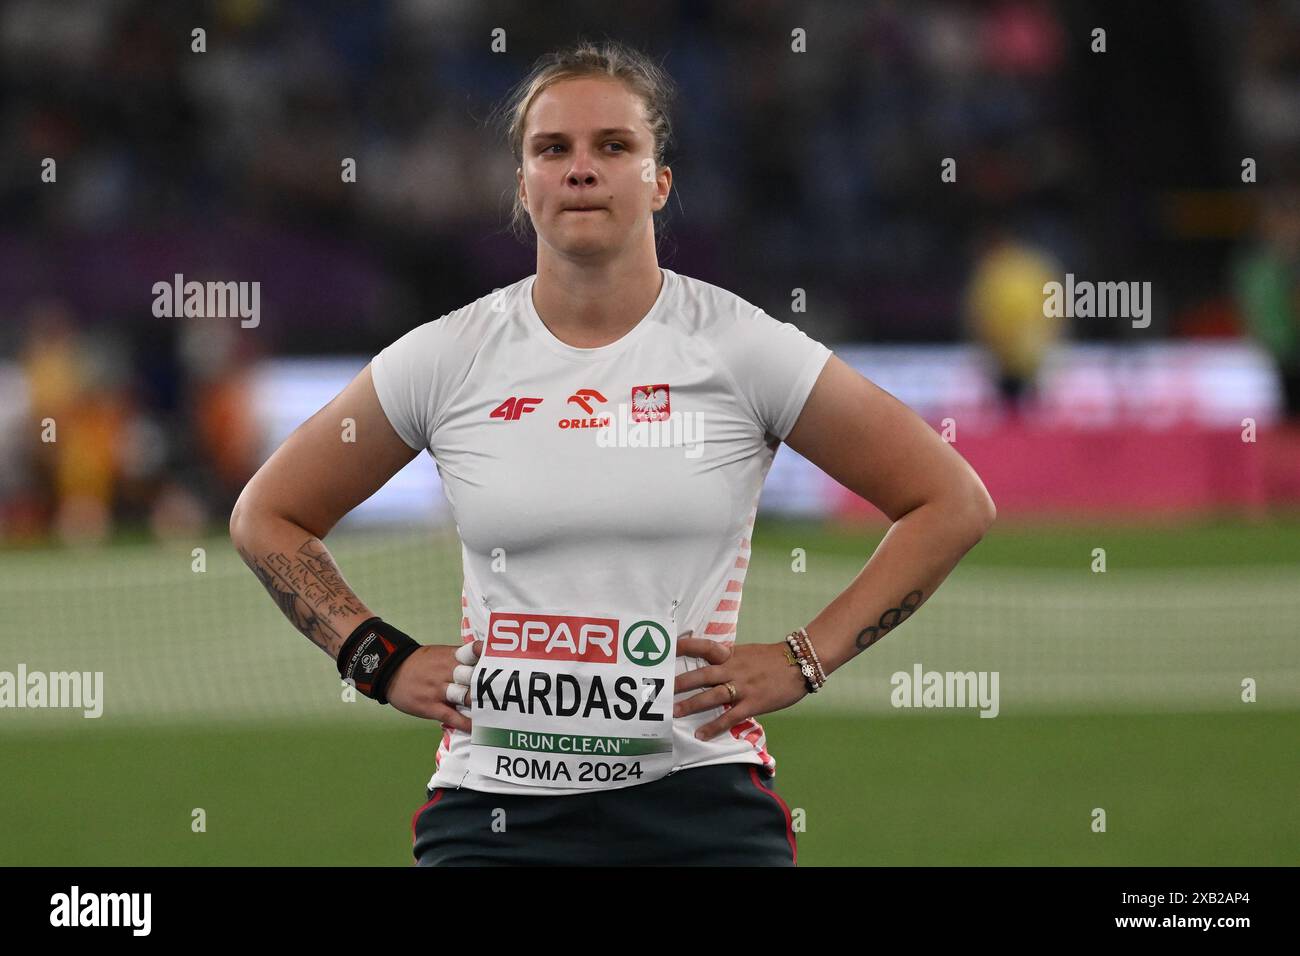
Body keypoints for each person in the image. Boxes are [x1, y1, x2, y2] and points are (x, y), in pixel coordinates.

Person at [228, 39, 996, 867]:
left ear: (659, 181)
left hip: (701, 810)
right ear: (522, 184)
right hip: (495, 815)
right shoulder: (449, 356)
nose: (581, 169)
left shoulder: (740, 349)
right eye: (552, 149)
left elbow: (951, 501)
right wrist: (377, 659)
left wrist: (801, 660)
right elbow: (267, 515)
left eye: (614, 146)